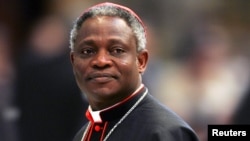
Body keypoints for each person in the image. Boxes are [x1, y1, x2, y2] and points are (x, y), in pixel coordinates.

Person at [69, 2, 199, 141]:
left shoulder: (167, 133)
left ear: (141, 61)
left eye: (117, 50)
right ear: (73, 61)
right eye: (87, 51)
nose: (101, 61)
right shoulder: (83, 136)